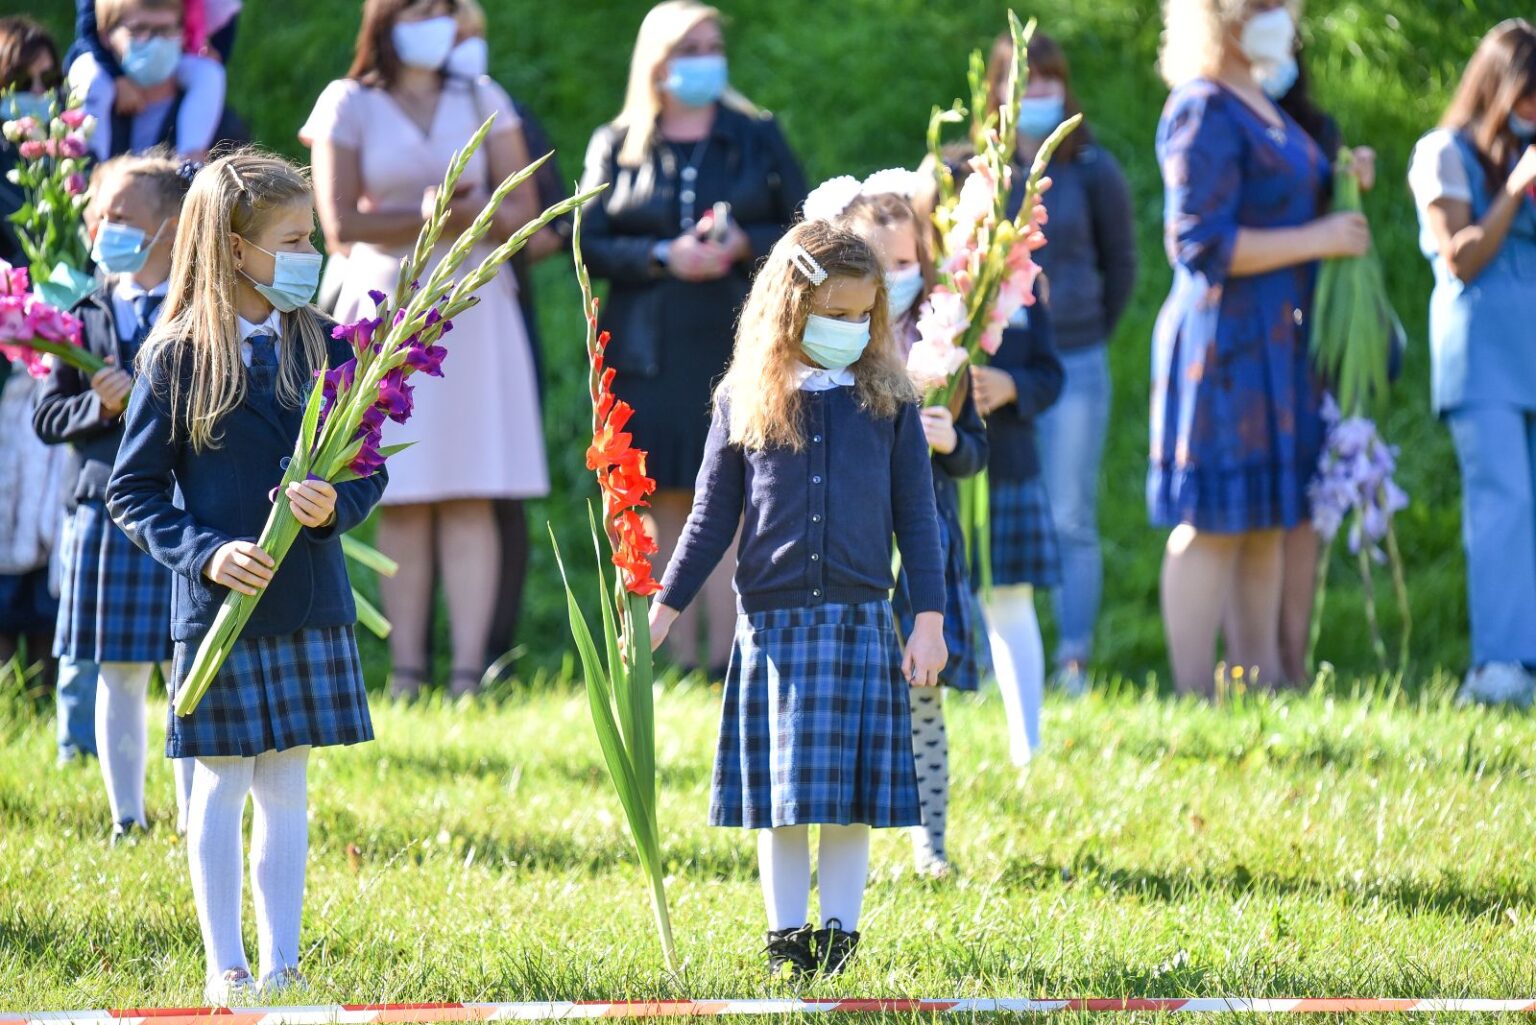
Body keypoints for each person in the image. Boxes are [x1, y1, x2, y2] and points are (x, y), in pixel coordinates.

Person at [107, 150, 385, 1002]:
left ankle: (282, 962)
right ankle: (224, 964)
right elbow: (132, 490)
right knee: (221, 783)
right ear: (236, 249)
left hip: (307, 601)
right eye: (293, 241)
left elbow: (367, 468)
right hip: (219, 609)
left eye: (311, 239)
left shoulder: (326, 343)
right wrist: (205, 551)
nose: (311, 256)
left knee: (286, 787)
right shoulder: (177, 357)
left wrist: (332, 505)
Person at [651, 221, 947, 977]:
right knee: (781, 801)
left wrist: (929, 619)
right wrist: (662, 608)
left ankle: (840, 942)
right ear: (789, 308)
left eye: (862, 317)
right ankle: (787, 940)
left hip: (858, 623)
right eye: (834, 314)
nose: (850, 329)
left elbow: (918, 517)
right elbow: (710, 518)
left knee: (849, 801)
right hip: (774, 629)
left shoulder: (890, 402)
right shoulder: (743, 400)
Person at [303, 0, 544, 699]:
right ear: (385, 16)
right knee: (400, 489)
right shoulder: (347, 101)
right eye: (419, 8)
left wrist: (466, 216)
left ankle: (469, 675)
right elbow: (340, 224)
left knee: (472, 488)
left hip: (474, 307)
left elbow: (524, 213)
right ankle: (406, 673)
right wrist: (437, 213)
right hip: (384, 303)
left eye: (444, 8)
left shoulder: (482, 94)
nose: (435, 21)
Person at [581, 0, 807, 679]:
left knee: (732, 496)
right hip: (646, 349)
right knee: (661, 495)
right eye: (690, 48)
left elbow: (804, 227)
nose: (707, 59)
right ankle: (670, 659)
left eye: (714, 46)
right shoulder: (617, 142)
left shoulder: (756, 135)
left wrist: (743, 245)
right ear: (657, 63)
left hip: (738, 342)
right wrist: (661, 254)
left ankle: (728, 658)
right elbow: (586, 239)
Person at [1151, 0, 1370, 696]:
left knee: (1268, 519)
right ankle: (1193, 695)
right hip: (1223, 343)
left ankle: (1262, 688)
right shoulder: (1202, 106)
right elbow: (1197, 243)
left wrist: (1342, 180)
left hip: (1279, 342)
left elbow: (1288, 197)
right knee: (1212, 520)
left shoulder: (1267, 105)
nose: (1281, 15)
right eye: (1262, 4)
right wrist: (1318, 239)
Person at [805, 172, 987, 878]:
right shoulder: (836, 344)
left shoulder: (948, 345)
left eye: (907, 261)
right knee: (844, 696)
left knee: (923, 699)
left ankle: (930, 841)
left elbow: (975, 451)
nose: (895, 277)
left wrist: (950, 440)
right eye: (879, 264)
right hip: (849, 547)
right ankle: (838, 840)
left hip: (919, 546)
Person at [35, 152, 196, 842]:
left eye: (122, 217)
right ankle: (126, 815)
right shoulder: (81, 312)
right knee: (119, 668)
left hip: (187, 507)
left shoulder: (200, 310)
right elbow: (49, 417)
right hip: (106, 506)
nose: (104, 230)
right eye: (98, 216)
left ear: (170, 229)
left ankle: (196, 816)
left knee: (189, 667)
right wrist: (99, 407)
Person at [986, 29, 1138, 695]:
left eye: (1050, 79)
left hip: (1076, 359)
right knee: (992, 506)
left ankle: (1072, 658)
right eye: (1027, 79)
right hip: (992, 370)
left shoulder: (1093, 170)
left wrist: (1081, 326)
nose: (1040, 91)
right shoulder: (979, 172)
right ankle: (989, 654)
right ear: (999, 90)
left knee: (1071, 513)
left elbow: (1121, 264)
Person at [1408, 19, 1536, 706]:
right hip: (1482, 354)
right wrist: (1515, 189)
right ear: (1496, 89)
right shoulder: (1444, 153)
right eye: (1528, 96)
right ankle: (1498, 666)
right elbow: (1460, 257)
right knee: (1503, 503)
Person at [441, 0, 572, 663]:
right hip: (418, 308)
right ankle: (413, 658)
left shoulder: (503, 110)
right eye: (454, 34)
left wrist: (492, 227)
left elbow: (552, 222)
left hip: (496, 308)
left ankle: (492, 652)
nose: (464, 46)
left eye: (474, 35)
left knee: (497, 490)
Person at [1256, 42, 1379, 684]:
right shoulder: (1223, 123)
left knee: (1303, 503)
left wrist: (1351, 182)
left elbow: (1337, 225)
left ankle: (1294, 663)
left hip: (1311, 329)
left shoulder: (1316, 129)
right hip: (1250, 329)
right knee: (1257, 504)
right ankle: (1253, 663)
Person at [67, 0, 242, 161]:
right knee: (92, 76)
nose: (155, 41)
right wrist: (117, 77)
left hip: (182, 56)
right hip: (104, 61)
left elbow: (225, 15)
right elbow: (89, 26)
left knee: (209, 73)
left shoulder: (226, 128)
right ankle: (88, 165)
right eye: (140, 30)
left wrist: (216, 49)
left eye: (164, 30)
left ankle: (189, 164)